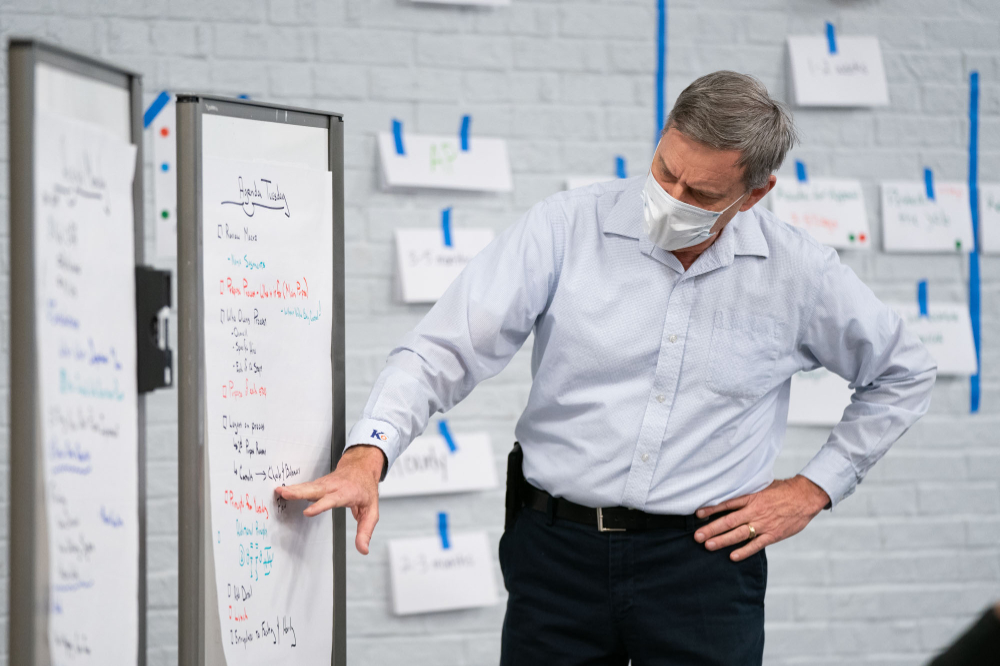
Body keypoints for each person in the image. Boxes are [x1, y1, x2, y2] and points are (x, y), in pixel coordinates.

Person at [277, 71, 937, 664]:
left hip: (704, 567)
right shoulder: (566, 228)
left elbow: (903, 372)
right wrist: (369, 454)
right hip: (555, 553)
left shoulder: (800, 275)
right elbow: (441, 352)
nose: (671, 197)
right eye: (665, 171)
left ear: (754, 194)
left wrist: (816, 487)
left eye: (699, 191)